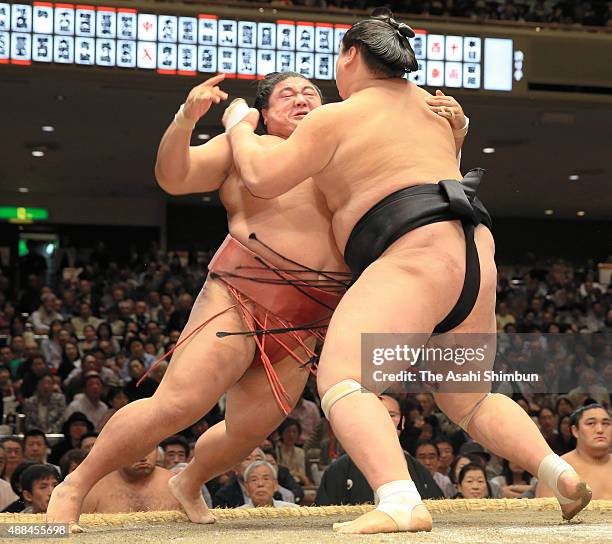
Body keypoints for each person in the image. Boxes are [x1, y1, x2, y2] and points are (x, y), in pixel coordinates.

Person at [47, 69, 465, 529]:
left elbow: (416, 184)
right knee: (179, 403)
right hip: (241, 291)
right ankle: (75, 485)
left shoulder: (344, 152)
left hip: (309, 316)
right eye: (288, 94)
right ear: (264, 113)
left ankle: (188, 481)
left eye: (310, 93)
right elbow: (175, 175)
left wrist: (455, 133)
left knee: (246, 433)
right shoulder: (243, 145)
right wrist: (186, 118)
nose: (302, 100)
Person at [227, 11, 591, 533]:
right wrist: (461, 129)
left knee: (343, 378)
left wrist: (240, 128)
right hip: (473, 250)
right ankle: (558, 472)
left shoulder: (340, 114)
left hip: (414, 247)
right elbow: (433, 160)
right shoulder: (433, 106)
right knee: (467, 395)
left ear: (351, 57)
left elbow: (261, 177)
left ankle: (399, 499)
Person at [316, 394, 443, 505]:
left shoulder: (418, 470)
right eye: (376, 414)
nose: (384, 420)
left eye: (391, 415)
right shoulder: (340, 469)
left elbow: (438, 515)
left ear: (402, 422)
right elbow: (322, 518)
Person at [536, 404, 612, 500]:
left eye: (606, 424)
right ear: (575, 430)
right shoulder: (557, 470)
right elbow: (544, 512)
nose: (600, 430)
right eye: (591, 423)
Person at [81, 449, 180, 513]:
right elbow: (66, 531)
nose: (143, 458)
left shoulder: (175, 483)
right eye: (134, 449)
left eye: (150, 448)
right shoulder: (95, 488)